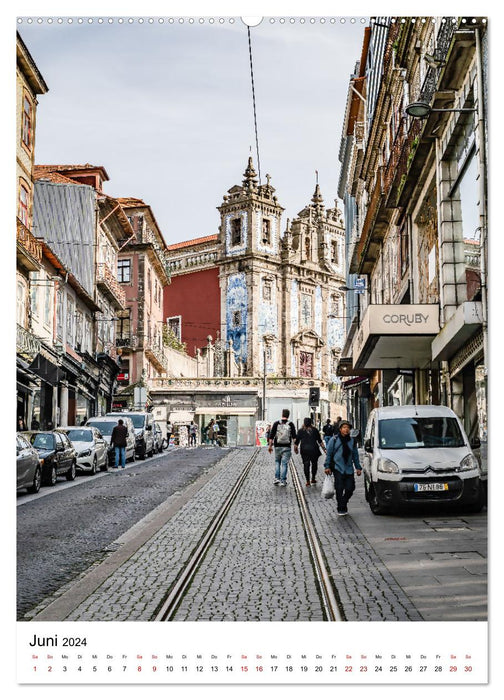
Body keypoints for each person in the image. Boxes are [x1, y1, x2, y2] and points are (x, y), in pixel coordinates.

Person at [324, 420, 362, 515]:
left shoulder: (352, 441)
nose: (346, 429)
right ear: (340, 429)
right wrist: (327, 466)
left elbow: (355, 455)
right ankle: (341, 508)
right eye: (344, 427)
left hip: (348, 469)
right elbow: (329, 454)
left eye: (348, 428)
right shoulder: (334, 440)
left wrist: (358, 467)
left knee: (350, 488)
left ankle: (343, 503)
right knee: (339, 488)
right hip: (338, 468)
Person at [268, 408, 297, 487]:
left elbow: (271, 436)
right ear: (288, 415)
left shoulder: (276, 423)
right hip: (287, 446)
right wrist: (295, 446)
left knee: (277, 462)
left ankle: (277, 478)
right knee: (284, 464)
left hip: (277, 446)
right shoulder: (291, 424)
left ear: (282, 414)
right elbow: (294, 437)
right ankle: (283, 480)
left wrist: (270, 446)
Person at [294, 417, 326, 487]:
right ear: (311, 423)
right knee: (314, 464)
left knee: (306, 464)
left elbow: (296, 442)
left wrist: (295, 449)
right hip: (314, 449)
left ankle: (307, 481)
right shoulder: (315, 430)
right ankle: (313, 478)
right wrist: (324, 449)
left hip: (304, 450)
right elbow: (320, 441)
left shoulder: (300, 431)